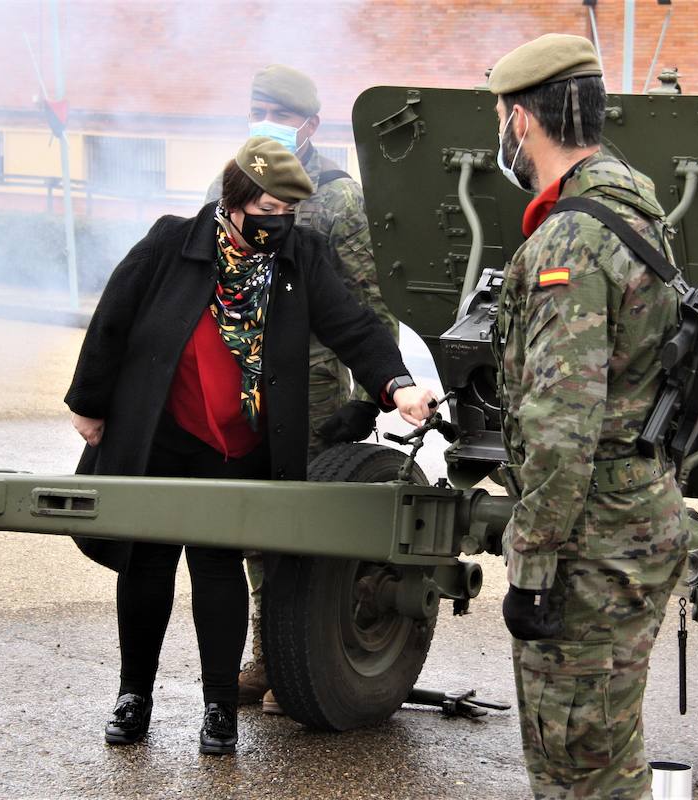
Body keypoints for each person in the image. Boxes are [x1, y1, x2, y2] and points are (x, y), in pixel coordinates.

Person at [64, 136, 435, 755]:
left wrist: (395, 384)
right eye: (266, 212)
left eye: (287, 213)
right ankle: (135, 696)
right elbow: (113, 318)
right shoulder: (170, 242)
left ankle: (217, 708)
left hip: (235, 443)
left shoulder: (300, 257)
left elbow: (352, 324)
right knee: (148, 564)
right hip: (162, 431)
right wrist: (89, 404)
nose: (278, 225)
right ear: (233, 204)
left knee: (216, 566)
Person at [486, 34, 689, 798]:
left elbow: (561, 423)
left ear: (521, 123)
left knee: (577, 764)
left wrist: (533, 568)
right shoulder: (633, 209)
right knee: (605, 747)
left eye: (502, 116)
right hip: (631, 518)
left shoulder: (570, 237)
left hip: (591, 544)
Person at [203, 64, 399, 709]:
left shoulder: (338, 197)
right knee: (248, 522)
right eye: (255, 107)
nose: (263, 121)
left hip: (310, 387)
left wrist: (371, 395)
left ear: (310, 125)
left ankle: (295, 660)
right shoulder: (226, 181)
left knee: (299, 525)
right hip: (236, 379)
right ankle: (265, 656)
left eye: (277, 112)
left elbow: (370, 304)